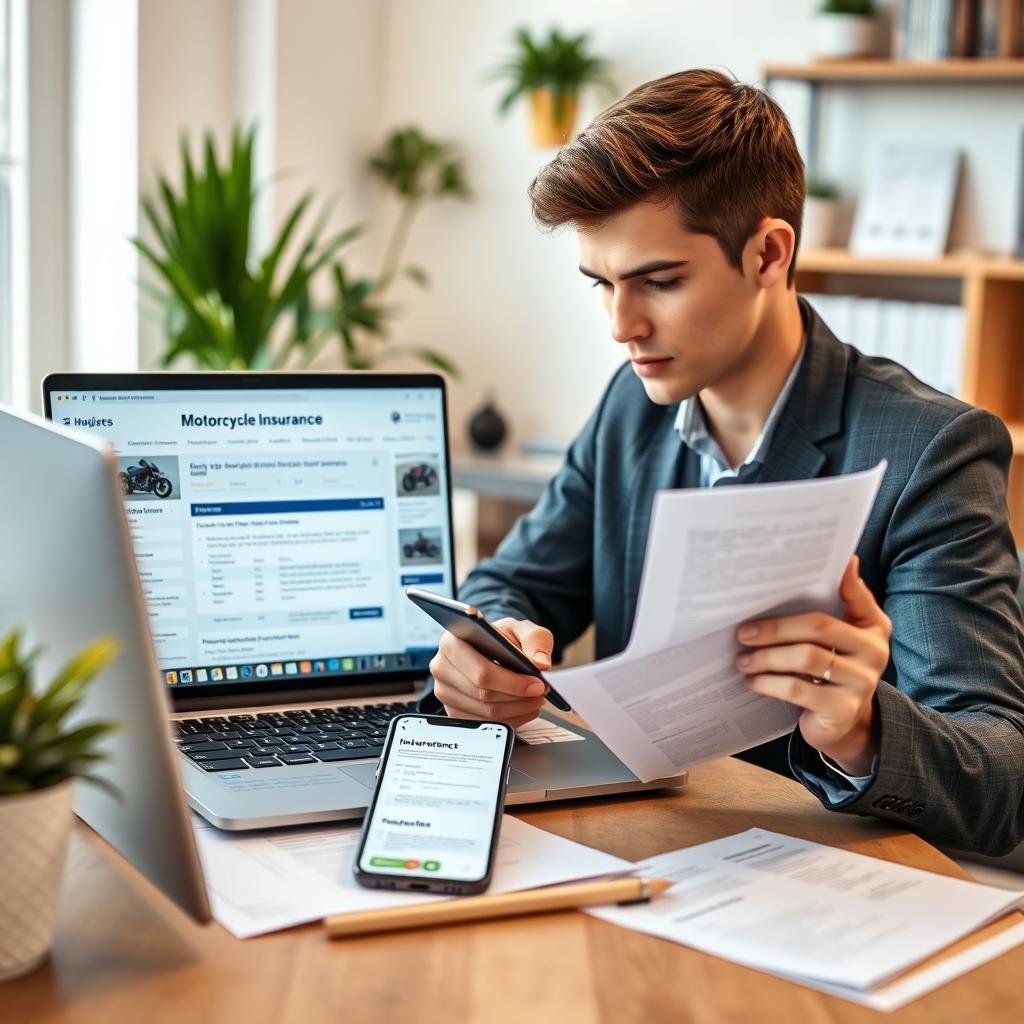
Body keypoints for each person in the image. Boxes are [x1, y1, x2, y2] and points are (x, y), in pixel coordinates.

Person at [422, 69, 1024, 855]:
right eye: (600, 283)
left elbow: (1003, 779)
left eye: (659, 281)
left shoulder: (929, 451)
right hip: (642, 847)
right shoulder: (632, 407)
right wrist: (489, 647)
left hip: (831, 884)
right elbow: (521, 582)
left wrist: (862, 728)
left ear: (770, 253)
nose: (621, 325)